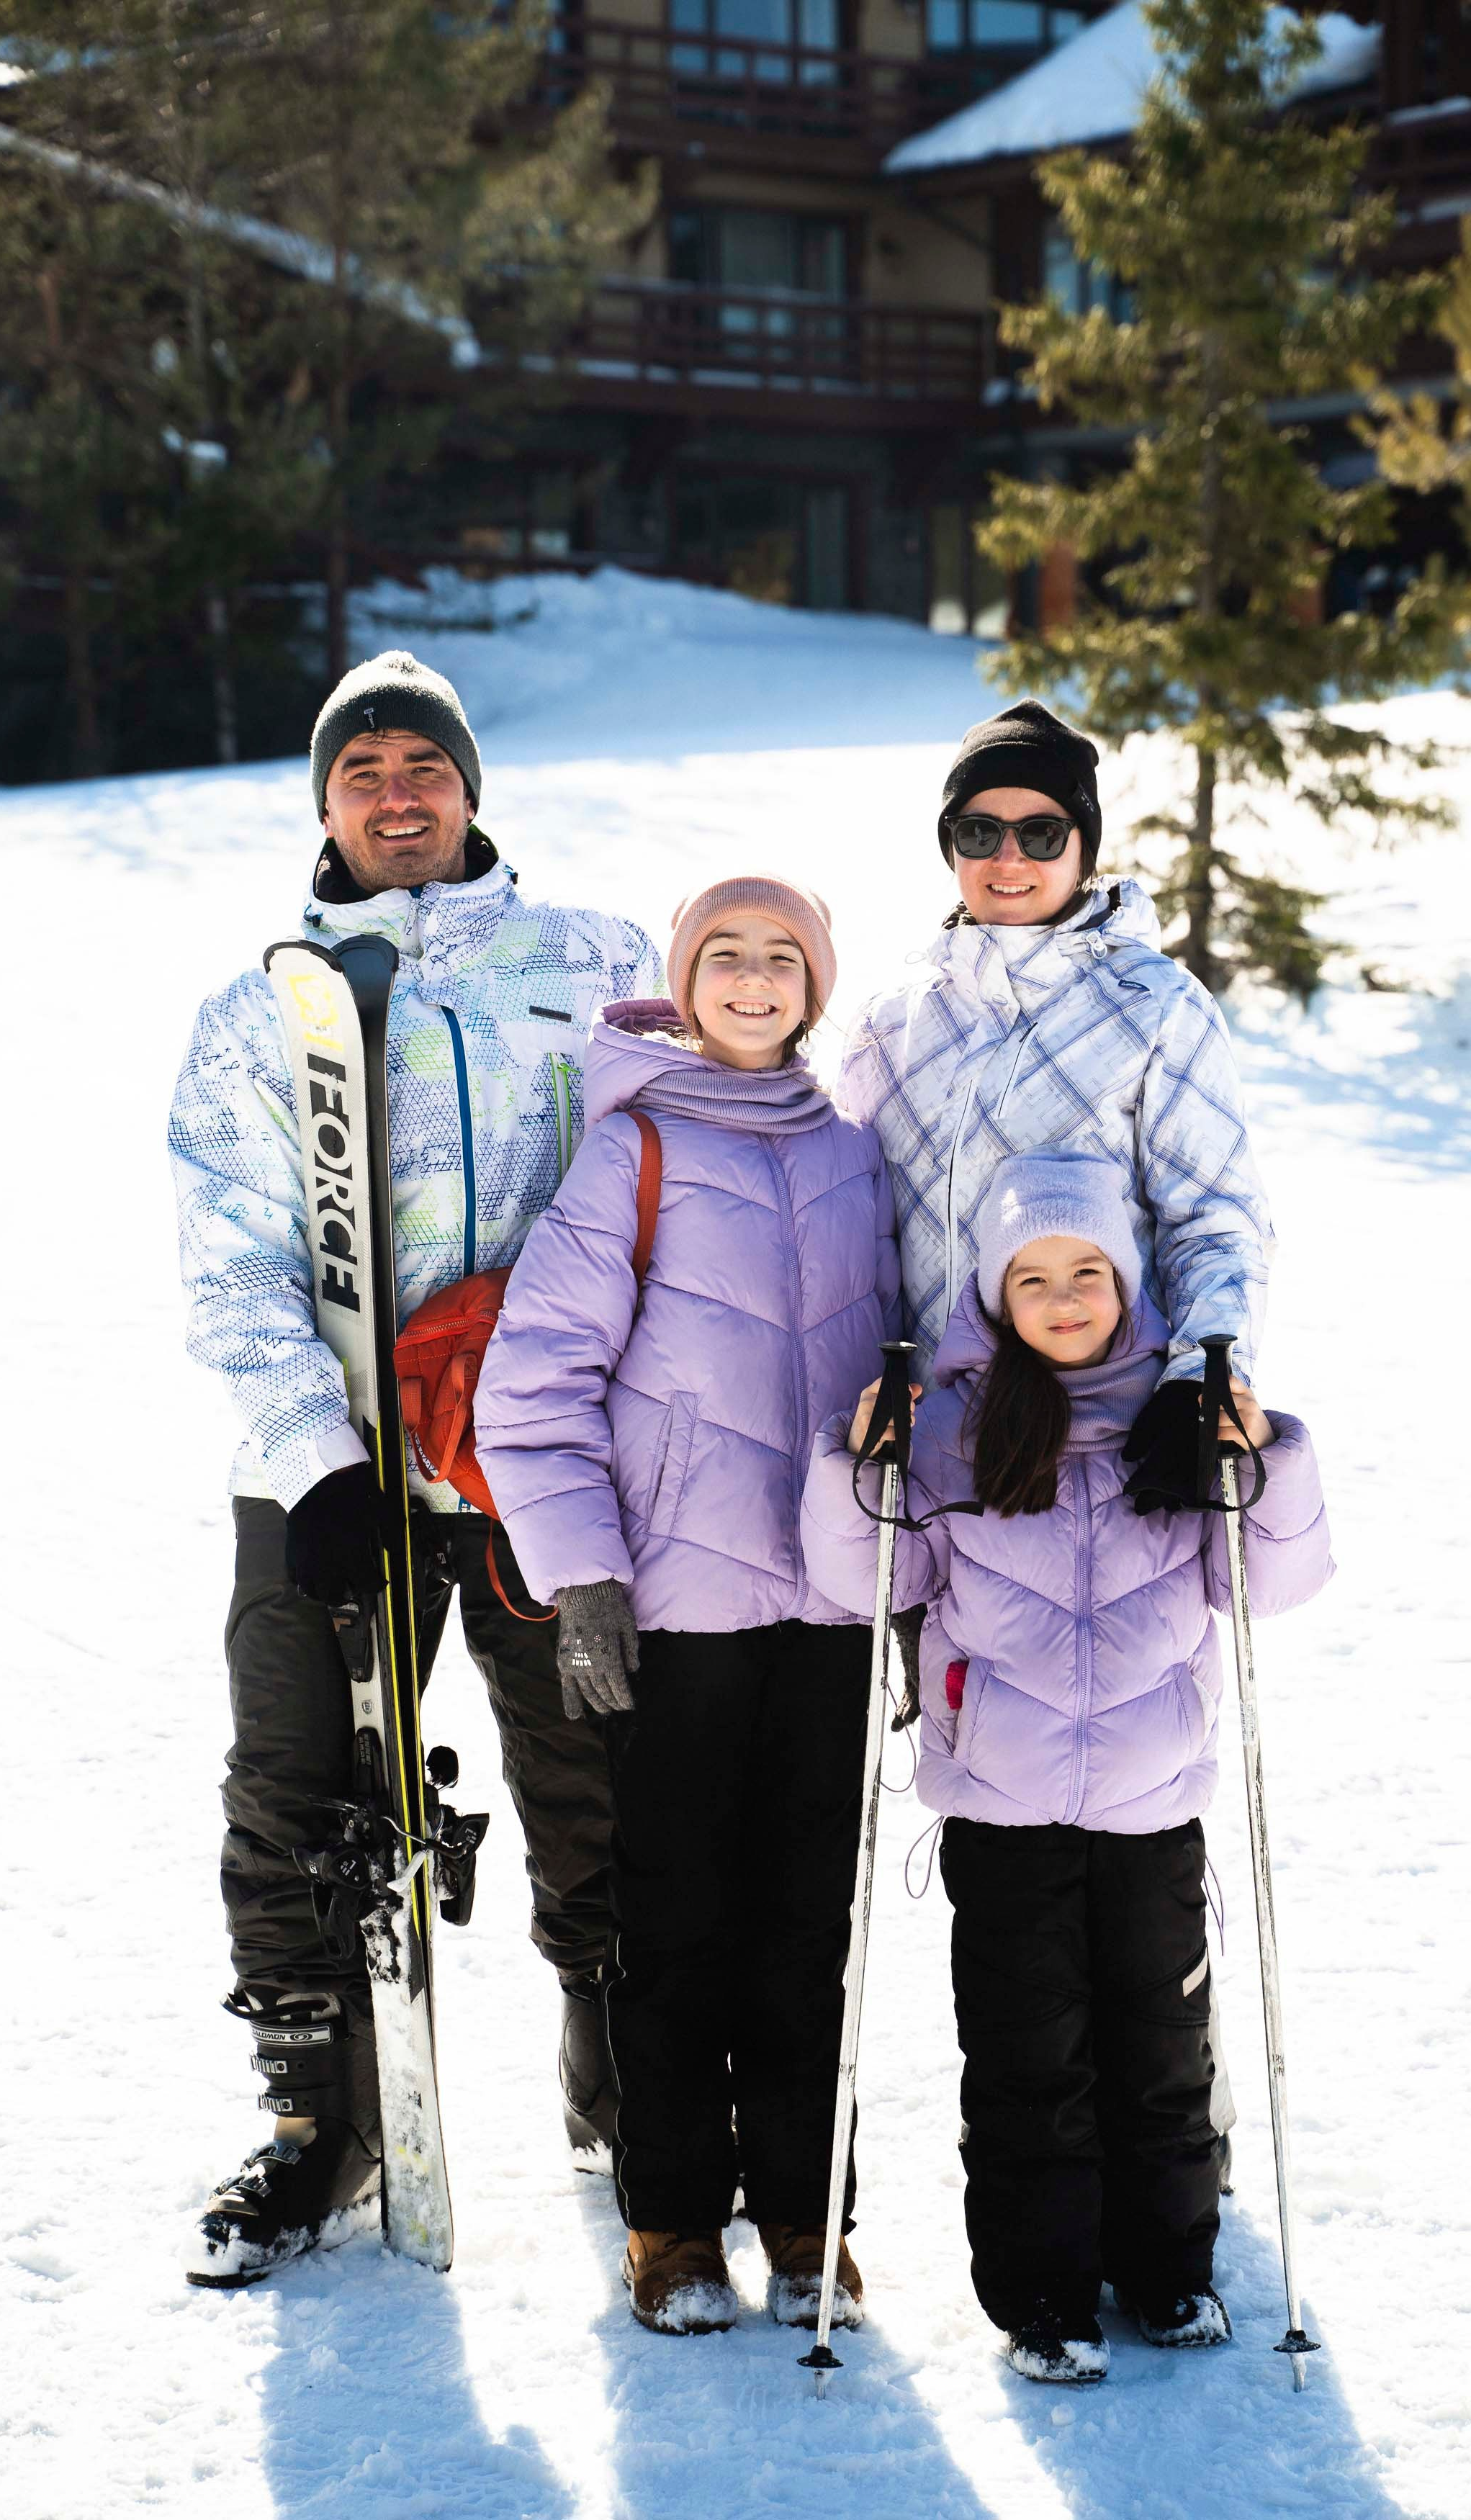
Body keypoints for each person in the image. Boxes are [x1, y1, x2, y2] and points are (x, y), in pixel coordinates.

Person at [169, 649, 660, 2287]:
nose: (396, 790)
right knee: (295, 1788)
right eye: (362, 767)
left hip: (539, 1461)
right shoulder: (259, 1015)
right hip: (333, 1470)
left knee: (602, 1778)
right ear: (325, 802)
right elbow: (229, 1259)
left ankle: (626, 2080)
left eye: (422, 764)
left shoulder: (590, 962)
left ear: (469, 786)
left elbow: (680, 1182)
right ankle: (322, 2117)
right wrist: (314, 1464)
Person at [803, 1151, 1331, 2382]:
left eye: (1087, 1271)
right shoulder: (953, 1428)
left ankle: (1166, 2271)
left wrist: (1271, 1461)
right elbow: (864, 1582)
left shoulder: (1182, 1419)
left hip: (1154, 1809)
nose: (1063, 1297)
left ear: (1126, 1282)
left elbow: (1271, 1584)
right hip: (1002, 1809)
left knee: (1160, 2050)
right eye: (1031, 1277)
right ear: (994, 1297)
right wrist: (856, 1470)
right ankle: (1042, 2295)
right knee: (1028, 2057)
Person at [837, 696, 1274, 2149]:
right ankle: (1045, 2151)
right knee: (1001, 1769)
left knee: (1135, 1775)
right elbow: (859, 1214)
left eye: (1039, 830)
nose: (1009, 855)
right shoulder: (903, 1012)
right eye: (980, 831)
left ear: (1085, 844)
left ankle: (1163, 2149)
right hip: (967, 1439)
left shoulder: (1157, 1005)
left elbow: (1213, 1210)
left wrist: (1200, 1377)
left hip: (1121, 1430)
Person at [474, 876, 899, 2337]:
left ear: (816, 988)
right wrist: (583, 1571)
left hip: (833, 1613)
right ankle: (666, 2222)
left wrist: (911, 1582)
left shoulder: (856, 1152)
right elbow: (531, 1390)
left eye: (786, 958)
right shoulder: (632, 1148)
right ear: (688, 980)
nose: (757, 979)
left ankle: (802, 2213)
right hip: (681, 1612)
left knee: (805, 1925)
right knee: (674, 1927)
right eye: (728, 956)